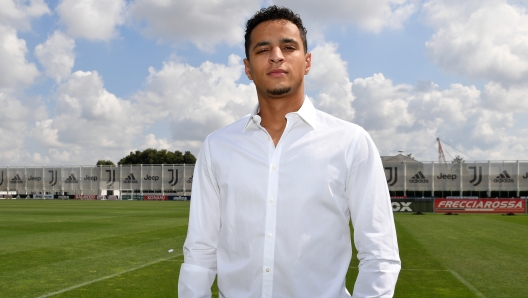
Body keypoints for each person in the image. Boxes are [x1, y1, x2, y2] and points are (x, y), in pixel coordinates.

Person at [178, 5, 400, 298]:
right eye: (263, 49)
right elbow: (200, 250)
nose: (276, 56)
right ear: (248, 68)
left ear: (307, 62)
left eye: (288, 47)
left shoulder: (351, 142)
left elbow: (379, 253)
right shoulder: (217, 146)